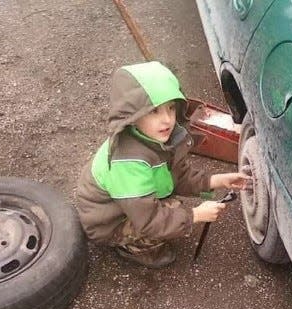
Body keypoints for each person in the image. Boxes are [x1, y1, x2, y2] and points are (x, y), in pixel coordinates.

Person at [76, 61, 249, 268]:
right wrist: (195, 215)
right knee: (172, 211)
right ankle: (134, 249)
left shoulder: (157, 139)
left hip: (129, 204)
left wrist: (216, 181)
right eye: (154, 111)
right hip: (108, 222)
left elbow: (178, 175)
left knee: (173, 210)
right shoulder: (128, 163)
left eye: (171, 108)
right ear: (132, 116)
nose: (167, 120)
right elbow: (149, 220)